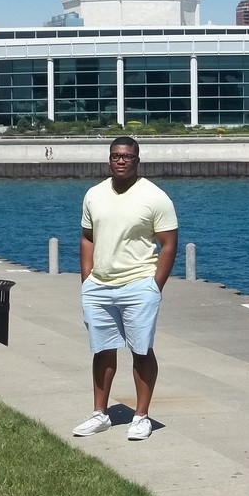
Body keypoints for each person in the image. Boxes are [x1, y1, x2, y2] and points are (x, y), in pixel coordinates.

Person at [74, 136, 178, 442]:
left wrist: (154, 286)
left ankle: (141, 416)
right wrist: (87, 278)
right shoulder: (94, 194)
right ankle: (99, 415)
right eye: (116, 156)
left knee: (141, 350)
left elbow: (169, 243)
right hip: (99, 287)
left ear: (137, 160)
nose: (121, 161)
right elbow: (87, 237)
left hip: (138, 285)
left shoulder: (155, 197)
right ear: (109, 159)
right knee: (101, 349)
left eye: (127, 157)